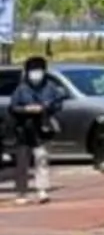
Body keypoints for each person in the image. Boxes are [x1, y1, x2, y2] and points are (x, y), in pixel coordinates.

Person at [5, 53, 57, 206]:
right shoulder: (22, 89)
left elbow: (58, 103)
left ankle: (42, 190)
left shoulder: (50, 88)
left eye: (39, 70)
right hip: (24, 129)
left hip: (42, 129)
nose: (36, 74)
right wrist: (26, 109)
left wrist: (45, 107)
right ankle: (22, 192)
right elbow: (13, 107)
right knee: (22, 161)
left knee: (42, 159)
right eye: (33, 70)